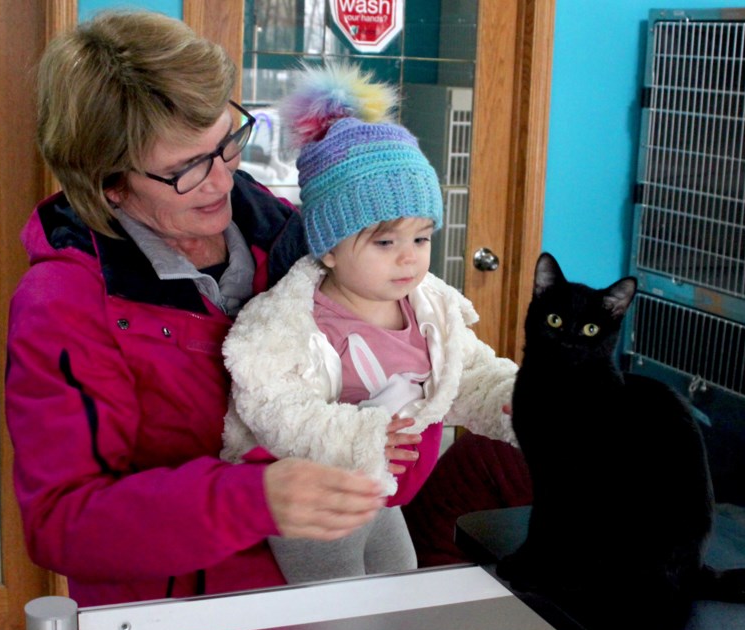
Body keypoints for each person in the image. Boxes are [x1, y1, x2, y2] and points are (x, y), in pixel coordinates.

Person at [5, 11, 388, 607]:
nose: (221, 182)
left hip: (331, 599)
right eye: (185, 169)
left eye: (227, 143)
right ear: (109, 183)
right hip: (182, 618)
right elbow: (62, 523)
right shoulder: (63, 306)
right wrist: (249, 499)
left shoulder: (287, 237)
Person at [220, 63, 520, 584]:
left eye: (422, 239)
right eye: (386, 242)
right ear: (329, 246)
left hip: (383, 494)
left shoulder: (429, 308)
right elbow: (271, 404)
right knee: (334, 601)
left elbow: (467, 372)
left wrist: (521, 400)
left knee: (398, 577)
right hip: (314, 499)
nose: (409, 259)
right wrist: (359, 438)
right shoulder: (289, 320)